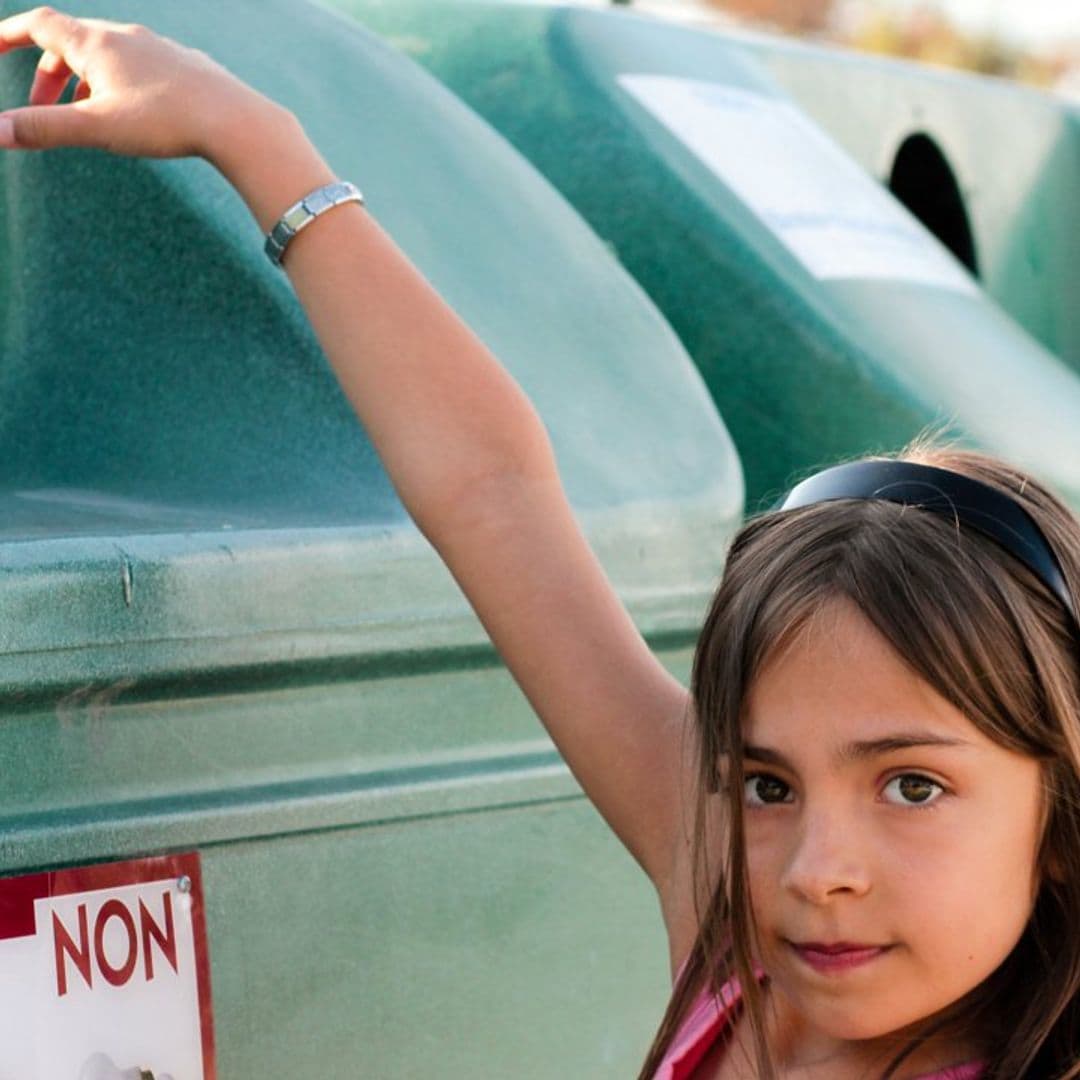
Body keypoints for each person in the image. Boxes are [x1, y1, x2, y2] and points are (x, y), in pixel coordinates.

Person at [2, 10, 1078, 1077]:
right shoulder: (732, 923)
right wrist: (249, 136)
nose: (818, 869)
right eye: (766, 783)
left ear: (1061, 815)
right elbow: (491, 489)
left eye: (912, 786)